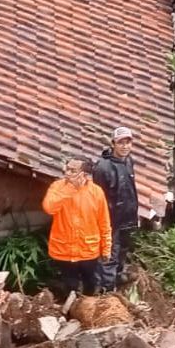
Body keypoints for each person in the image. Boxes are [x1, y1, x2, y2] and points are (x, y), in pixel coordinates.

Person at [43, 156, 111, 297]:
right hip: (64, 250)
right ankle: (68, 315)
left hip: (88, 251)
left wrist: (106, 248)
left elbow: (104, 222)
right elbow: (49, 208)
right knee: (70, 287)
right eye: (67, 168)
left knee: (91, 285)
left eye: (72, 170)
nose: (67, 173)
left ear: (85, 175)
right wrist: (70, 189)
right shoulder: (57, 186)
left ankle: (87, 312)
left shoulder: (96, 192)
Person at [93, 127, 139, 290]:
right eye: (121, 143)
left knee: (123, 249)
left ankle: (118, 277)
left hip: (128, 216)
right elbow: (98, 196)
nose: (125, 146)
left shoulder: (128, 161)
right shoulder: (103, 167)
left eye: (128, 142)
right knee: (110, 253)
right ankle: (107, 288)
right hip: (111, 219)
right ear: (113, 144)